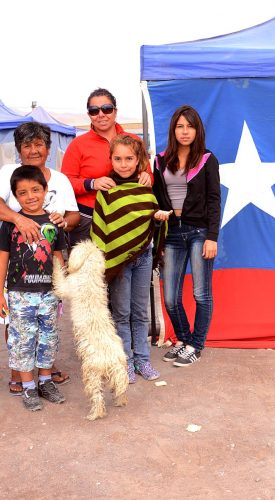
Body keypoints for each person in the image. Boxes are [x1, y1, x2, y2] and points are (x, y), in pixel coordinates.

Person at [0, 122, 78, 395]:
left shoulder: (60, 179)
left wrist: (63, 221)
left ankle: (44, 373)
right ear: (18, 150)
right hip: (16, 265)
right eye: (27, 145)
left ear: (48, 148)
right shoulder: (7, 172)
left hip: (49, 261)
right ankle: (19, 372)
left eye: (39, 144)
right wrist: (19, 219)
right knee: (16, 323)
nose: (33, 150)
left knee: (47, 320)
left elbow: (73, 215)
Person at [91, 134, 168, 383]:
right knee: (121, 313)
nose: (123, 164)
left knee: (140, 312)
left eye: (129, 159)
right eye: (118, 159)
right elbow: (101, 229)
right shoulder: (107, 192)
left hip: (144, 257)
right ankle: (125, 362)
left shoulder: (146, 187)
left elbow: (150, 216)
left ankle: (143, 360)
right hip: (118, 263)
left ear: (139, 161)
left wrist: (157, 220)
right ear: (111, 160)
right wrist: (103, 261)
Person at [0, 166, 68, 411]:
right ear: (15, 196)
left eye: (36, 190)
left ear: (46, 190)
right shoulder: (9, 224)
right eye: (22, 192)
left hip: (49, 294)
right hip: (19, 294)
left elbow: (58, 257)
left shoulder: (54, 222)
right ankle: (28, 386)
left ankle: (45, 381)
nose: (30, 196)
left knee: (48, 338)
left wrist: (62, 287)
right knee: (23, 340)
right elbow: (1, 259)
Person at [152, 106, 221, 367]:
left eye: (189, 126)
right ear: (173, 129)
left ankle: (195, 345)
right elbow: (156, 198)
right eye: (180, 126)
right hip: (172, 232)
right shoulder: (160, 160)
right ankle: (183, 339)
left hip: (199, 232)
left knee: (201, 293)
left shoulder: (207, 159)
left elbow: (214, 200)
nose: (184, 131)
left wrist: (212, 236)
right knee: (170, 296)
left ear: (197, 130)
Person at [61, 88, 153, 246]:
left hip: (127, 217)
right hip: (88, 219)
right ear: (89, 114)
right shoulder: (78, 144)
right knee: (87, 269)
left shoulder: (134, 140)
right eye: (94, 111)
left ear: (115, 111)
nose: (101, 114)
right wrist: (92, 183)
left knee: (122, 269)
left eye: (107, 109)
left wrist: (147, 177)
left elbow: (148, 175)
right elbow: (66, 182)